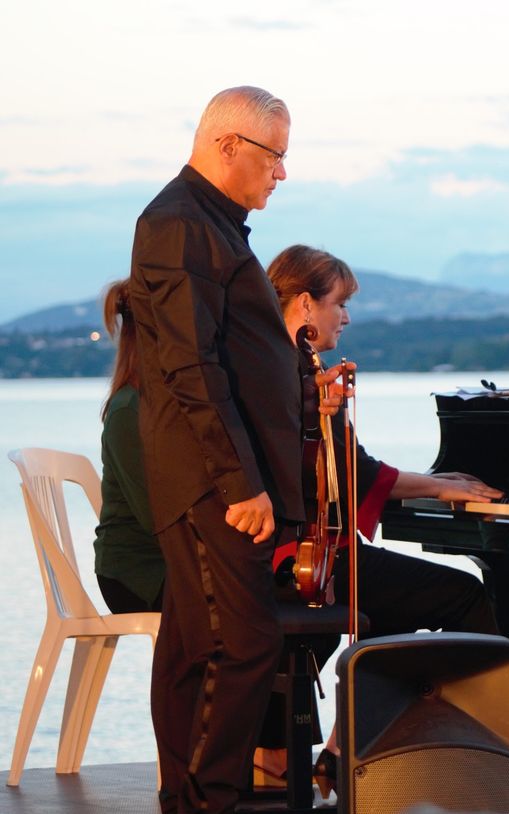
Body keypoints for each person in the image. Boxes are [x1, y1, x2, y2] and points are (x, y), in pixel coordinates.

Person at [262, 243, 509, 796]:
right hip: (303, 558)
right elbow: (353, 471)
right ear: (304, 304)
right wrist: (440, 484)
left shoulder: (283, 363)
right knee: (465, 598)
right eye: (338, 303)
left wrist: (436, 482)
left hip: (304, 549)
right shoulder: (294, 375)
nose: (345, 316)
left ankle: (341, 753)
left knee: (391, 611)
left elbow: (350, 469)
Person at [126, 86, 305, 814]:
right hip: (210, 482)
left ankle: (191, 800)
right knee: (237, 646)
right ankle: (207, 803)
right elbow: (190, 366)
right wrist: (239, 483)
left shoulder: (215, 226)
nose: (282, 174)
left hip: (217, 477)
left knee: (193, 650)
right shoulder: (178, 223)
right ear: (229, 144)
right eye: (275, 156)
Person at [94, 279, 163, 614]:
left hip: (166, 559)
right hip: (135, 572)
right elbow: (155, 516)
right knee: (243, 603)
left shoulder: (161, 404)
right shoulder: (128, 410)